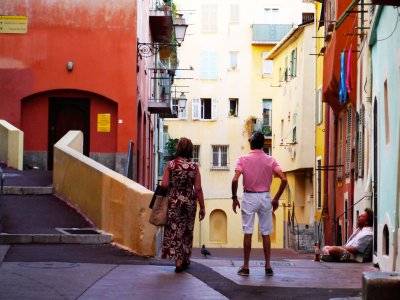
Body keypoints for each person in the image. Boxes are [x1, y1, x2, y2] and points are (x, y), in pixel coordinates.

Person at [231, 131, 287, 276]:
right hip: (265, 197)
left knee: (248, 232)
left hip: (249, 197)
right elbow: (284, 179)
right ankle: (268, 266)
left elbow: (235, 180)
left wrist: (234, 197)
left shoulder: (242, 159)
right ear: (263, 144)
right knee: (266, 233)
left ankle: (245, 266)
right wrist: (275, 199)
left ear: (250, 143)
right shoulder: (271, 160)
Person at [160, 137, 206, 273]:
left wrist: (173, 188)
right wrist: (202, 206)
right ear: (190, 150)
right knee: (187, 229)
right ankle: (185, 258)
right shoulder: (194, 167)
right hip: (189, 202)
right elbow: (198, 188)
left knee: (175, 229)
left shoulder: (171, 165)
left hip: (174, 201)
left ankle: (177, 262)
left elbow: (164, 184)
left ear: (178, 148)